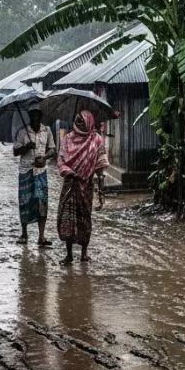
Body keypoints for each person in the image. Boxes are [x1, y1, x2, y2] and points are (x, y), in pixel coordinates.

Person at [56, 110, 110, 265]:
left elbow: (100, 165)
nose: (80, 124)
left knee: (85, 218)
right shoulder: (67, 139)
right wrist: (71, 172)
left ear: (90, 122)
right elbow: (60, 160)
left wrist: (101, 191)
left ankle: (84, 253)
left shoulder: (96, 140)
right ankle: (69, 254)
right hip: (70, 184)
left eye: (83, 121)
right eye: (77, 120)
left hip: (86, 186)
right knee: (68, 218)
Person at [14, 103, 56, 245]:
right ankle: (24, 233)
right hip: (25, 171)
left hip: (41, 172)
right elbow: (15, 151)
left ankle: (41, 236)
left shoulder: (47, 130)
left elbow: (52, 149)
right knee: (25, 202)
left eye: (38, 114)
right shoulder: (22, 132)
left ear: (41, 116)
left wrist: (44, 157)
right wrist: (26, 147)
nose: (35, 117)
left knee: (42, 202)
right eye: (32, 115)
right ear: (30, 116)